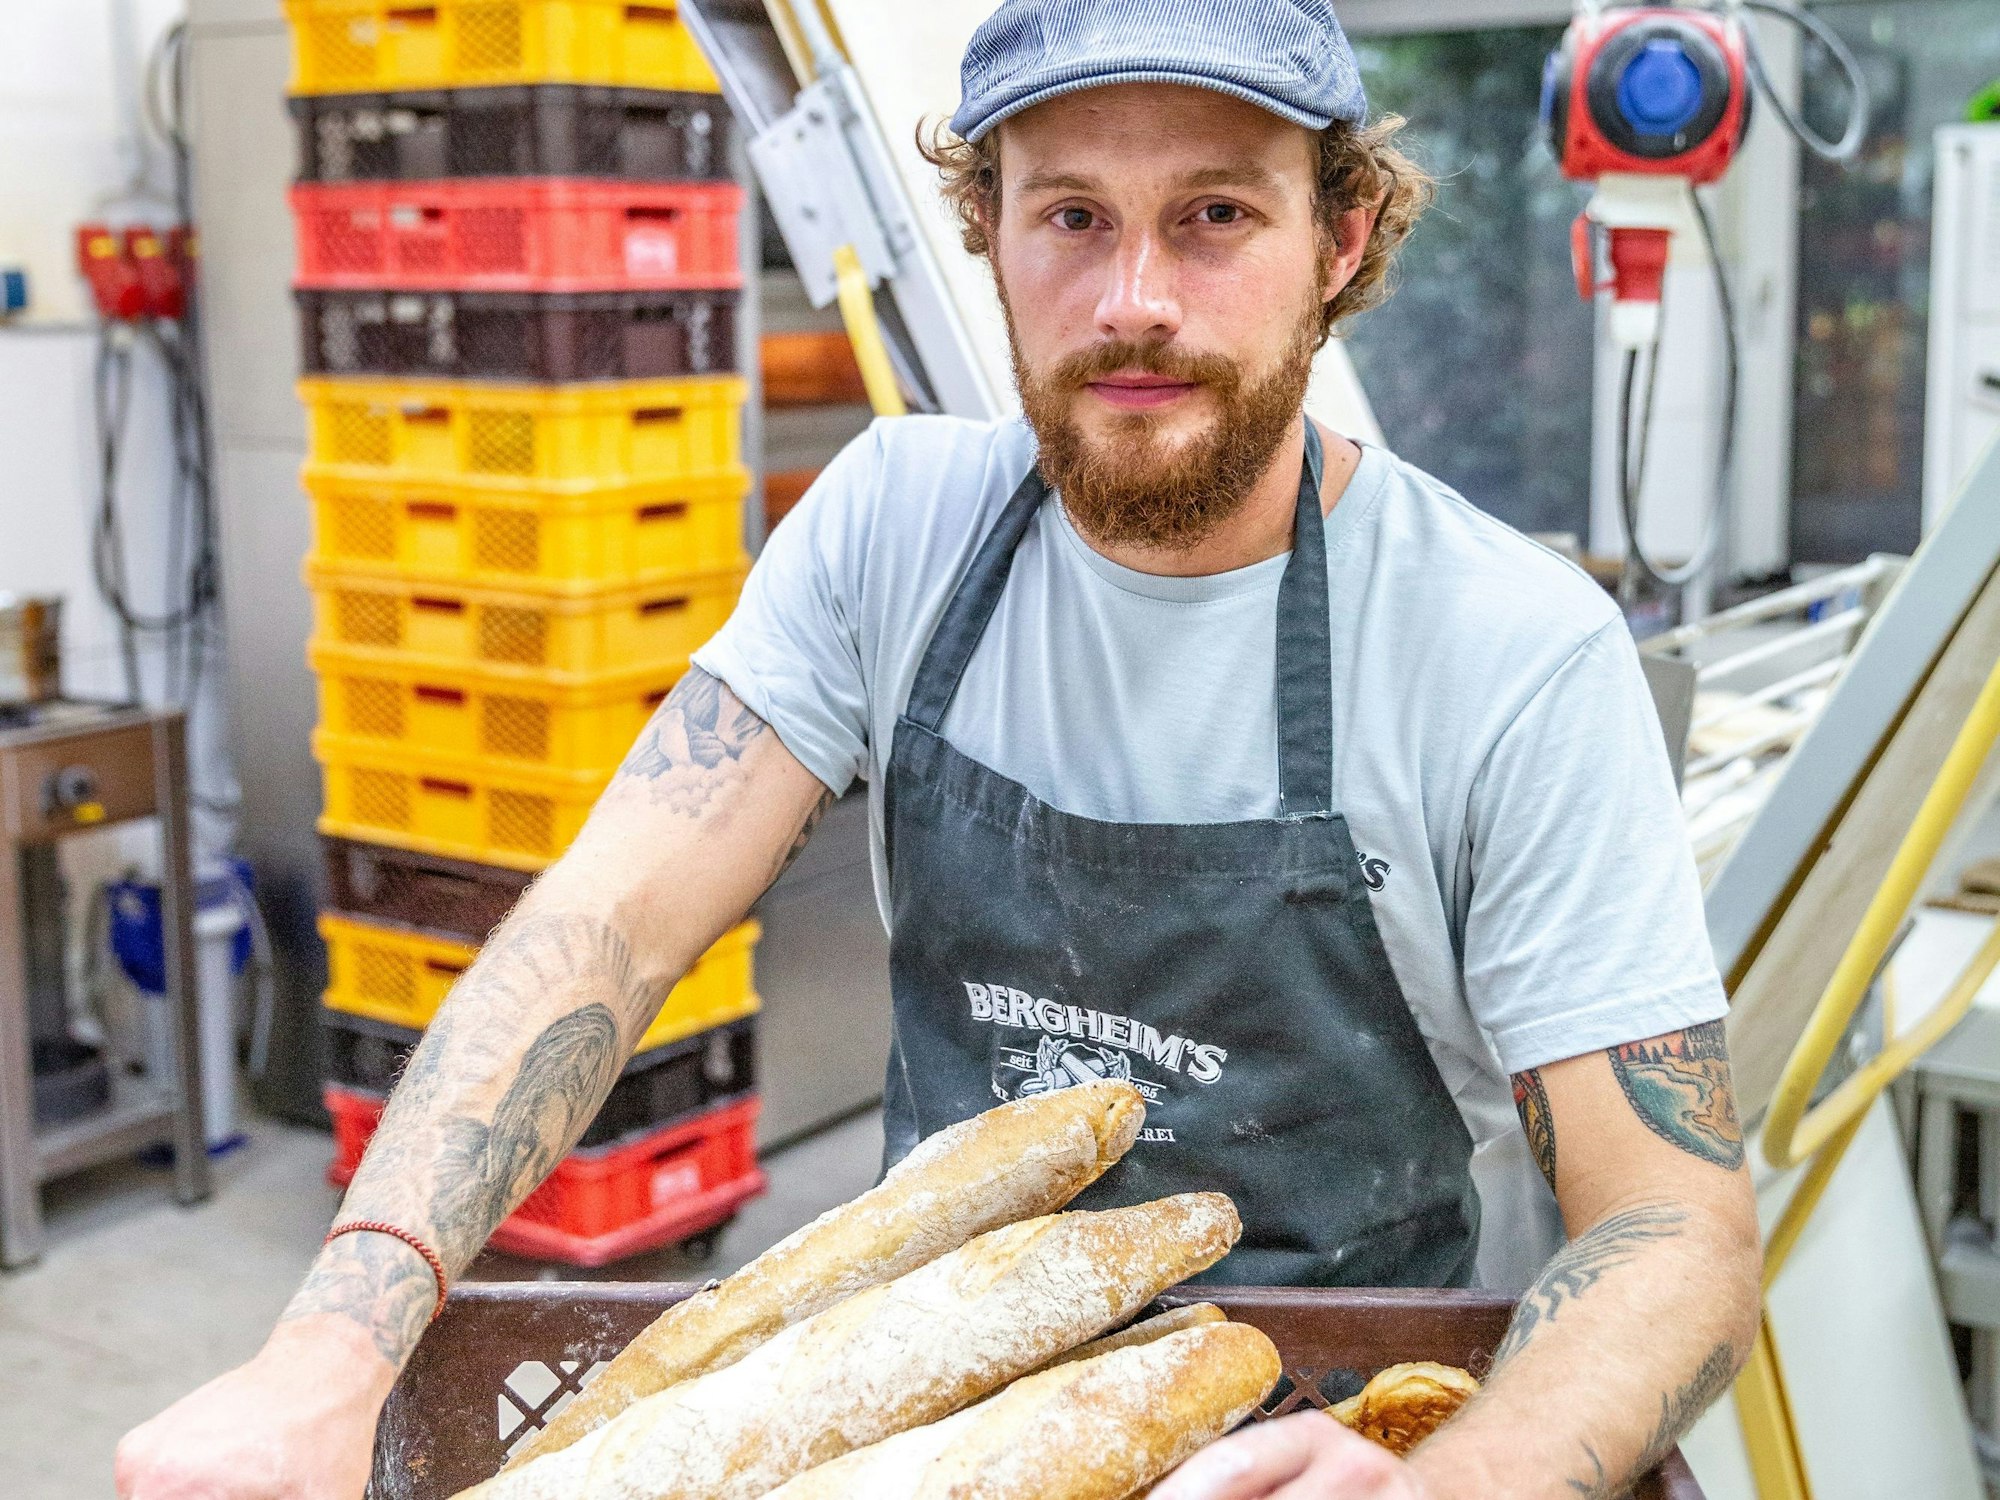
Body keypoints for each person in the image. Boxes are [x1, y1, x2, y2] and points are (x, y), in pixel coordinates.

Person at [116, 2, 1761, 1496]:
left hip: (1339, 1426)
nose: (1135, 302)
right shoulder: (892, 530)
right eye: (1069, 217)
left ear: (1338, 240)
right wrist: (328, 1353)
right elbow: (601, 928)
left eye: (1215, 215)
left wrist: (1455, 1485)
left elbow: (1671, 1222)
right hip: (925, 1410)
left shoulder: (1510, 649)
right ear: (985, 235)